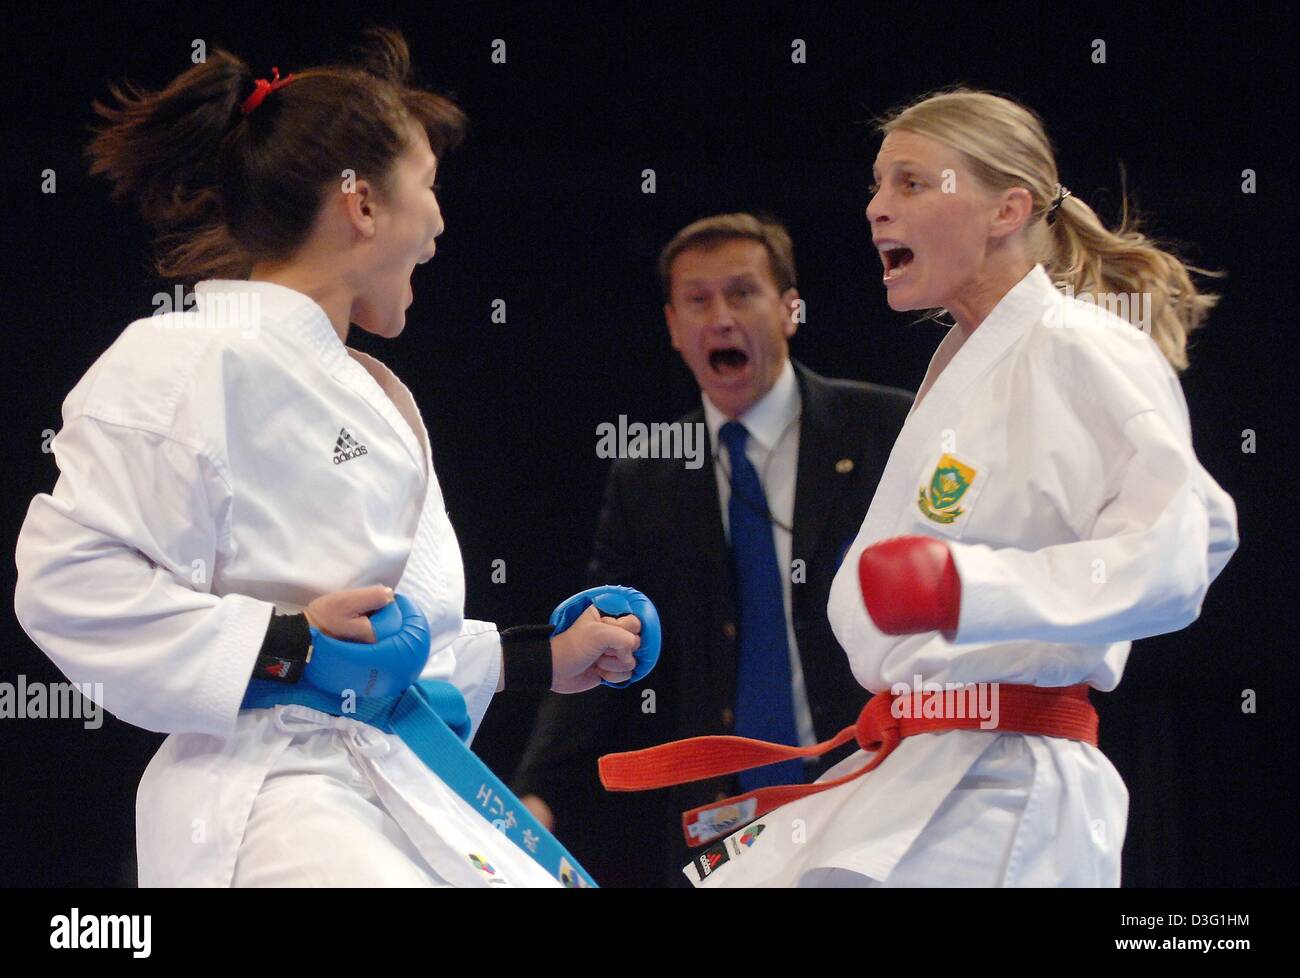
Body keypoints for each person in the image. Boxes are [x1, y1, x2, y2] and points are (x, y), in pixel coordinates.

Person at [13, 28, 644, 888]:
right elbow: (66, 579)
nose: (439, 223)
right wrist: (283, 648)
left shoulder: (376, 394)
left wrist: (544, 655)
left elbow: (390, 642)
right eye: (427, 187)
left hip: (389, 784)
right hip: (271, 801)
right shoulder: (188, 355)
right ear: (364, 207)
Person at [601, 88, 1238, 888]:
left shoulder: (1079, 343)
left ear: (1007, 209)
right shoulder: (957, 367)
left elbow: (1182, 548)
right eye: (875, 185)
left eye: (909, 183)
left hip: (1011, 786)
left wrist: (968, 586)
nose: (875, 209)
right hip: (919, 763)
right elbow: (1207, 519)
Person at [513, 213, 913, 886]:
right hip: (724, 818)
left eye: (743, 293)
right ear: (673, 327)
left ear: (790, 308)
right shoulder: (649, 473)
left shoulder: (885, 429)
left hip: (877, 787)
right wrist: (536, 797)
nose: (720, 318)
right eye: (698, 301)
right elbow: (606, 641)